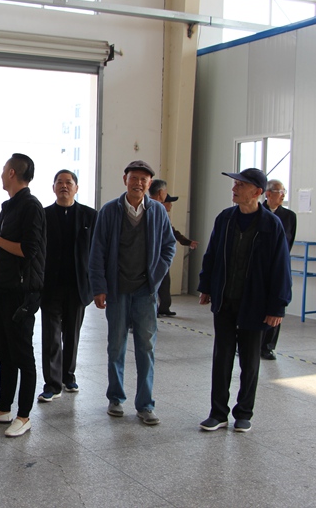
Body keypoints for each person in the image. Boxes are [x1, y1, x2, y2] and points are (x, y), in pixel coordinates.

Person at [198, 168, 292, 433]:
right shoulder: (225, 219)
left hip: (255, 304)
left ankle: (244, 413)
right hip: (225, 300)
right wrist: (206, 286)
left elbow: (281, 267)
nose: (234, 188)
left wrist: (278, 306)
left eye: (240, 185)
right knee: (222, 357)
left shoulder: (271, 225)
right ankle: (218, 413)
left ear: (257, 192)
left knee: (250, 361)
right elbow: (212, 254)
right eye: (235, 184)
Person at [88, 160, 176, 425]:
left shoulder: (158, 211)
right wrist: (99, 287)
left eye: (144, 179)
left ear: (149, 184)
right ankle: (116, 398)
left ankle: (145, 404)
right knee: (116, 346)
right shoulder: (109, 211)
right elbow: (97, 250)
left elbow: (169, 246)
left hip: (145, 292)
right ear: (125, 179)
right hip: (117, 291)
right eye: (134, 178)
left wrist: (156, 277)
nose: (138, 183)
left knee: (146, 348)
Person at [0, 154, 46, 438]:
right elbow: (7, 247)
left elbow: (29, 250)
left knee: (23, 354)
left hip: (22, 293)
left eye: (4, 169)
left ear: (13, 172)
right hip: (2, 289)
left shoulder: (31, 206)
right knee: (4, 352)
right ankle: (3, 409)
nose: (1, 173)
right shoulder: (8, 206)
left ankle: (24, 416)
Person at [37, 170, 97, 402]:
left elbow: (98, 251)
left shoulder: (90, 216)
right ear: (53, 188)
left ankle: (68, 375)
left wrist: (98, 284)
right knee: (51, 336)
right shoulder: (43, 215)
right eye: (59, 183)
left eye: (68, 182)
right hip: (50, 286)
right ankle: (52, 384)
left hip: (78, 286)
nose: (64, 186)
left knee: (72, 333)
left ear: (76, 188)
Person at [148, 179, 198, 317]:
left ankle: (163, 308)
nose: (171, 205)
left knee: (163, 283)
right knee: (153, 285)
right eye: (169, 201)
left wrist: (187, 242)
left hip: (160, 256)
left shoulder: (161, 214)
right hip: (152, 256)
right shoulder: (150, 210)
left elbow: (171, 232)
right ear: (161, 195)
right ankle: (151, 311)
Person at [261, 179, 297, 360]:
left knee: (276, 306)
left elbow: (289, 242)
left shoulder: (289, 216)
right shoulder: (257, 212)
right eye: (279, 192)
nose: (283, 195)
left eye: (284, 192)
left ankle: (268, 346)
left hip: (279, 267)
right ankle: (248, 343)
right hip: (260, 267)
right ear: (268, 194)